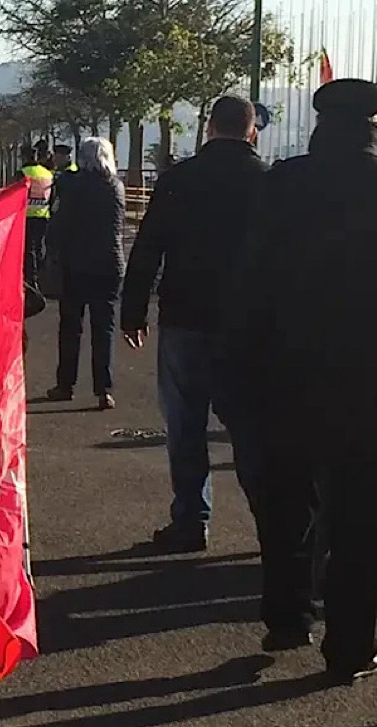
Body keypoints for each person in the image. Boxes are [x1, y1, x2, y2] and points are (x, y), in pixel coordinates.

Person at [229, 79, 377, 683]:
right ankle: (350, 645)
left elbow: (250, 281)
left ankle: (286, 616)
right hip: (364, 381)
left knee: (286, 504)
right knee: (360, 518)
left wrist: (241, 368)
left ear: (319, 126)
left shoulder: (281, 183)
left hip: (283, 374)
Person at [119, 95, 269, 553]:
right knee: (250, 427)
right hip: (248, 324)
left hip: (185, 315)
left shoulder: (179, 180)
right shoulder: (268, 182)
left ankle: (191, 518)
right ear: (251, 131)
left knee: (185, 424)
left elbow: (148, 248)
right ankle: (272, 524)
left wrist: (133, 311)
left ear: (208, 128)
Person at [45, 137, 125, 411]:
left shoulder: (71, 184)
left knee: (71, 327)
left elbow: (59, 221)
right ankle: (104, 389)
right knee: (104, 327)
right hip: (109, 264)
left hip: (75, 263)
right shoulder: (116, 187)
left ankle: (65, 384)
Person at [18, 145, 54, 291]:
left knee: (28, 250)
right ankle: (40, 276)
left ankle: (31, 280)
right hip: (43, 215)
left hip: (26, 216)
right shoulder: (47, 173)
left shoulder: (22, 173)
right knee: (39, 248)